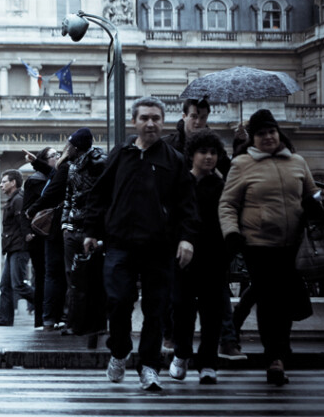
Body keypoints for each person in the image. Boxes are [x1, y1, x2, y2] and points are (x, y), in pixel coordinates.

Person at [82, 96, 198, 392]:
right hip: (120, 242)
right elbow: (99, 195)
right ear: (134, 121)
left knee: (155, 309)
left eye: (156, 118)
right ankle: (120, 351)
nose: (150, 123)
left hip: (160, 246)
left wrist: (186, 238)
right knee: (118, 300)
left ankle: (149, 366)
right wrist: (91, 231)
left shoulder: (175, 160)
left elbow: (187, 205)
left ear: (163, 122)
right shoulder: (120, 155)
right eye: (145, 117)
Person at [219, 109, 318, 386]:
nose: (267, 137)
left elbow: (312, 194)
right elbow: (227, 203)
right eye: (261, 133)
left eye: (271, 132)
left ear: (278, 133)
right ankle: (274, 358)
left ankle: (279, 352)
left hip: (292, 245)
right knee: (269, 301)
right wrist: (232, 233)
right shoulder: (242, 164)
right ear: (253, 138)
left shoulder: (297, 162)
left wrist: (313, 205)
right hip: (257, 244)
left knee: (284, 302)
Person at [169, 130, 227, 384]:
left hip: (214, 257)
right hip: (183, 257)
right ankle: (181, 354)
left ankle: (208, 363)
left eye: (213, 152)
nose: (209, 157)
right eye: (203, 152)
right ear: (191, 155)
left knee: (212, 312)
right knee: (182, 309)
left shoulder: (222, 186)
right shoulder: (181, 183)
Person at [58, 128, 107, 346]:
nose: (67, 148)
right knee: (73, 278)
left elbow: (102, 195)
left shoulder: (98, 162)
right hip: (73, 227)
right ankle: (74, 322)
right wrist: (65, 225)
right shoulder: (72, 166)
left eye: (71, 145)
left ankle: (92, 323)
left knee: (92, 278)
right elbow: (69, 196)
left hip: (92, 227)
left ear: (77, 147)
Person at [20, 147, 60, 329]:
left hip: (57, 233)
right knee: (42, 276)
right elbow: (25, 210)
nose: (57, 158)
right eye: (53, 156)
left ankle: (57, 316)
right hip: (38, 235)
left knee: (56, 275)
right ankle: (40, 318)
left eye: (58, 154)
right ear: (45, 160)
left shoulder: (60, 177)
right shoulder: (35, 181)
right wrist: (27, 232)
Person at [0, 169, 35, 326]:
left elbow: (24, 224)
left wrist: (26, 241)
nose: (1, 185)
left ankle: (47, 305)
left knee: (18, 285)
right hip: (12, 247)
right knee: (5, 286)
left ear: (13, 183)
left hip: (19, 247)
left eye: (4, 181)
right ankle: (5, 320)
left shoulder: (18, 199)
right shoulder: (13, 199)